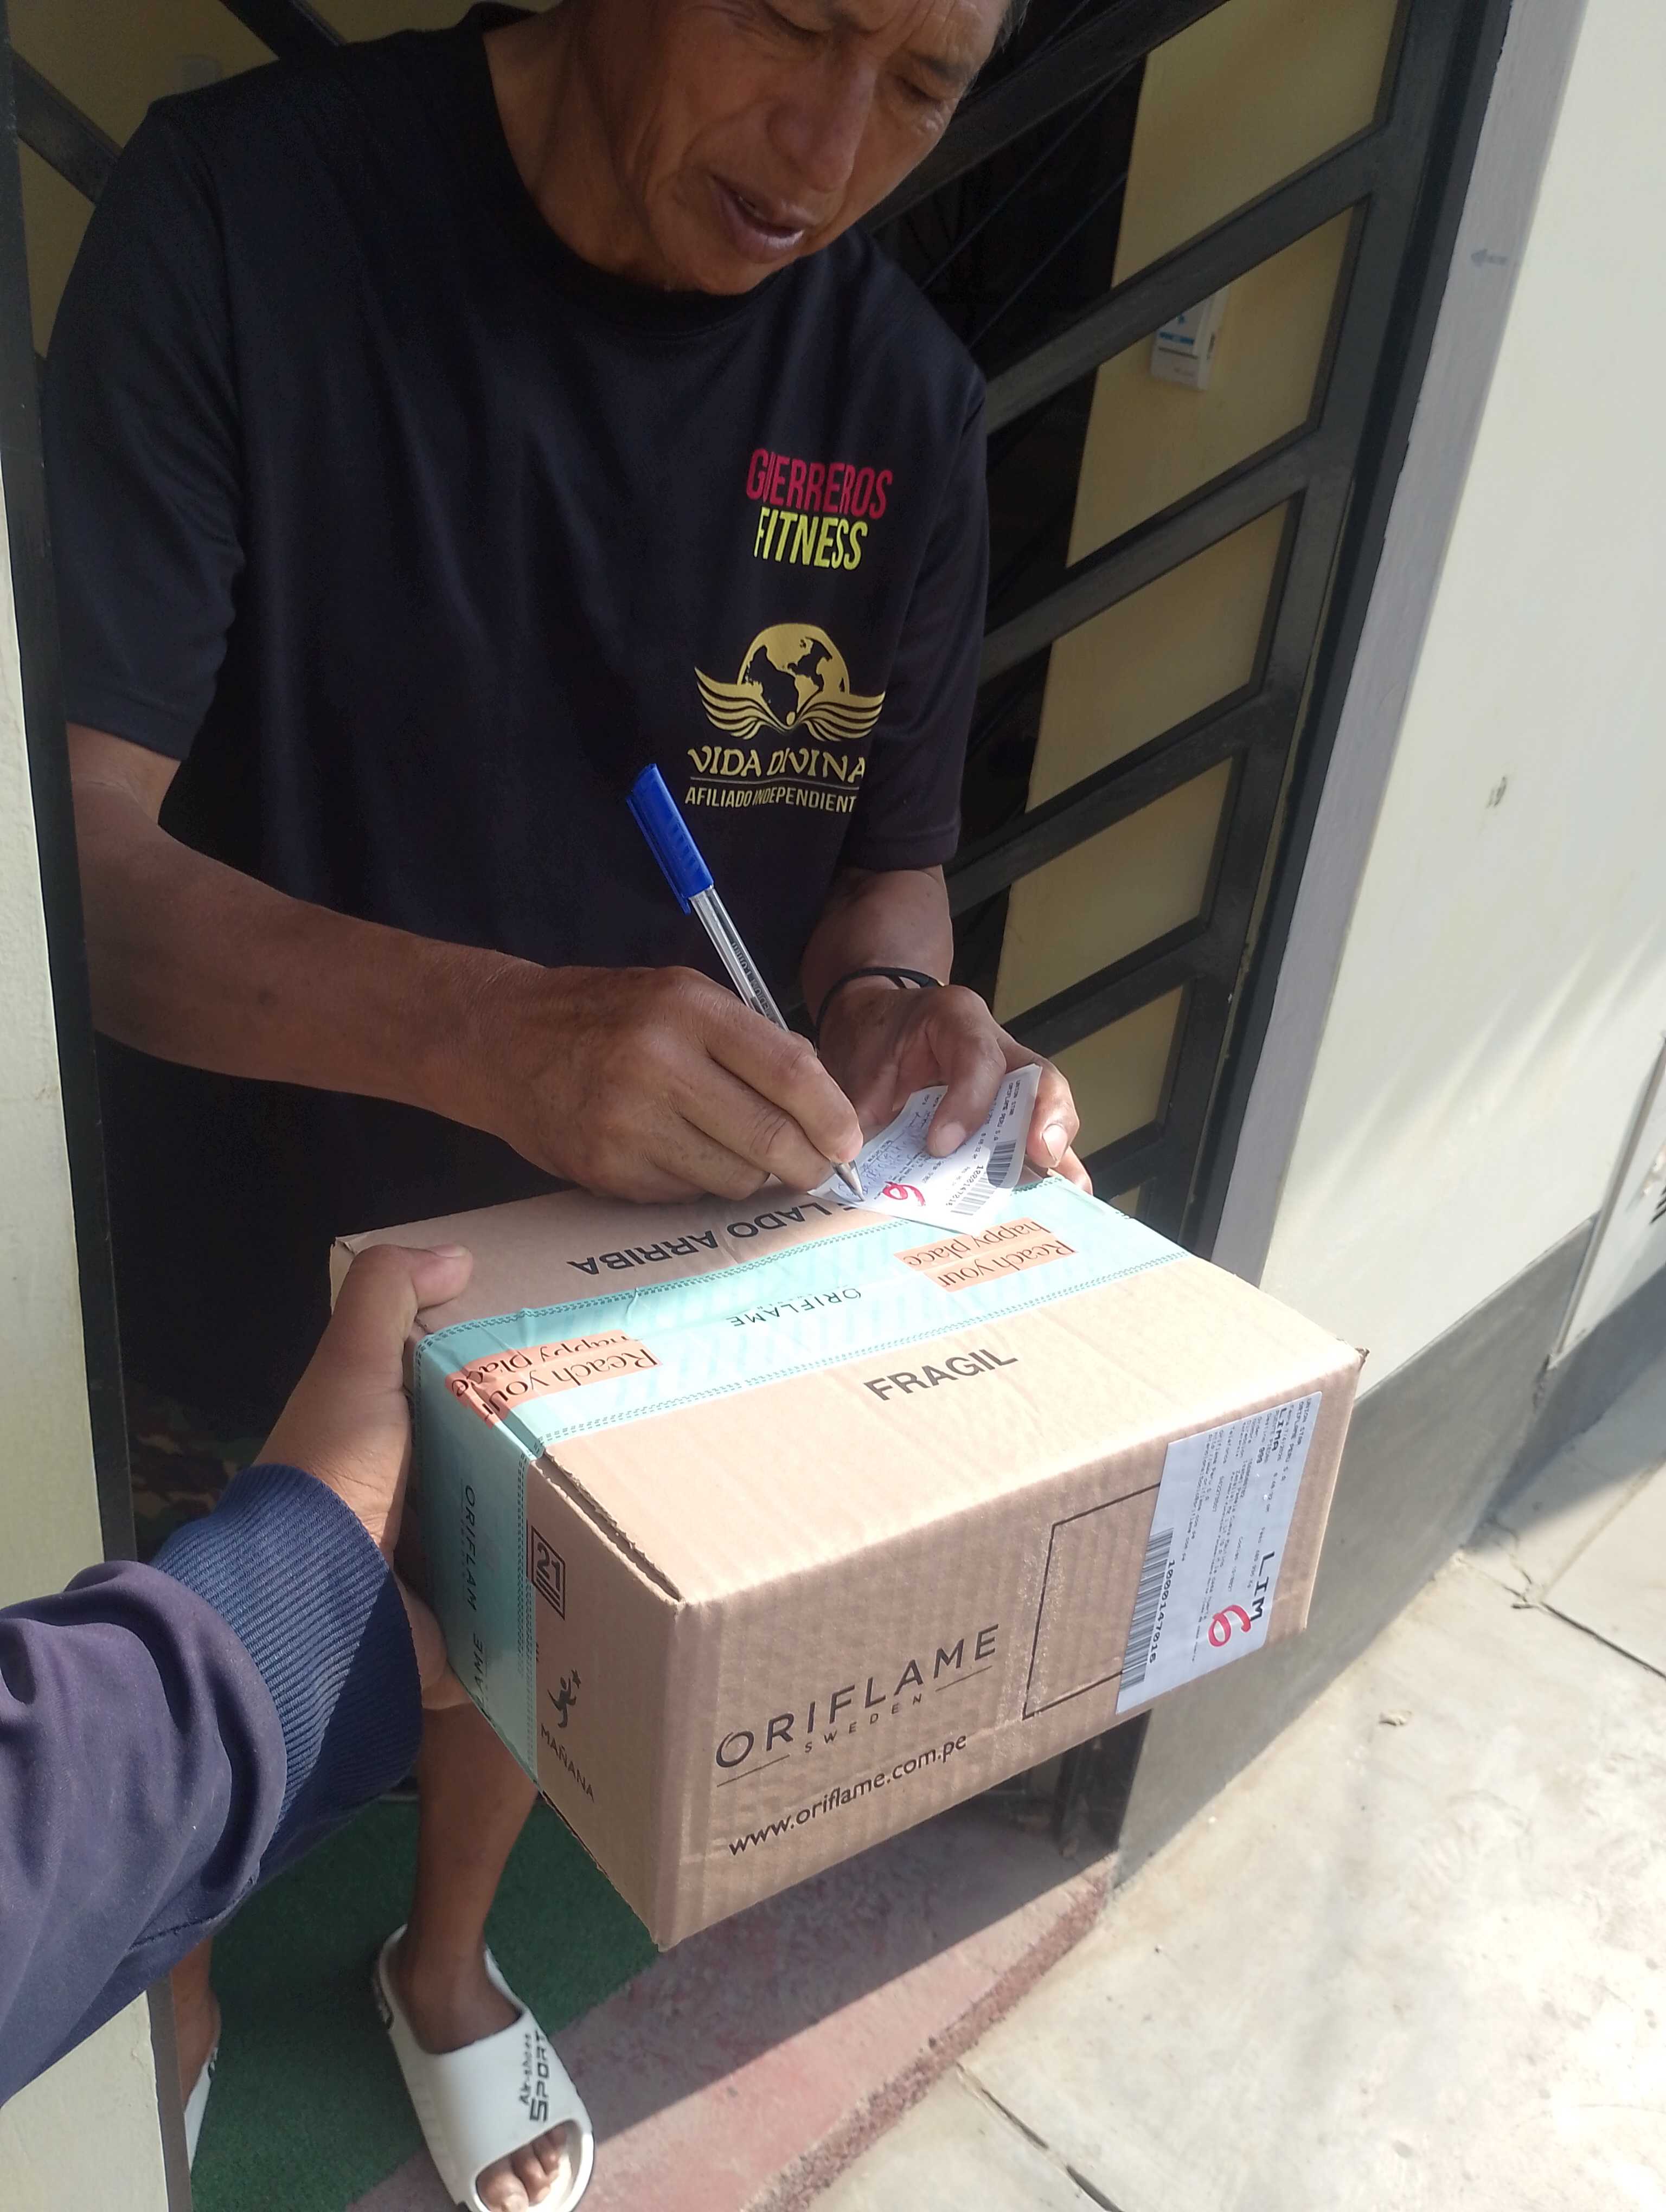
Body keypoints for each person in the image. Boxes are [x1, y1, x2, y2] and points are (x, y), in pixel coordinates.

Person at [43, 1, 1088, 2205]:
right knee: (199, 1653)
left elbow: (887, 872)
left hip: (634, 1271)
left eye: (922, 85)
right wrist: (493, 1037)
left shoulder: (897, 398)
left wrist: (902, 1011)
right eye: (796, 18)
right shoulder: (242, 220)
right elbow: (66, 879)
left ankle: (441, 1961)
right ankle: (178, 1983)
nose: (829, 144)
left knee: (524, 1648)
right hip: (243, 1197)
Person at [0, 1244, 469, 2101]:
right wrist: (303, 1604)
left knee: (497, 1594)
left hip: (491, 1271)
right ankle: (181, 2015)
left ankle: (447, 1960)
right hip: (196, 1276)